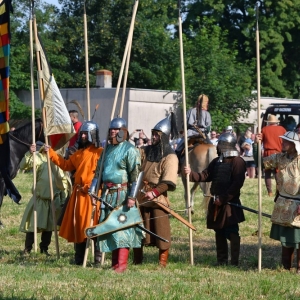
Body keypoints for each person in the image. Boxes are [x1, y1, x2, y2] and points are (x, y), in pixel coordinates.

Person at [44, 121, 103, 265]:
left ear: (92, 135)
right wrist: (50, 153)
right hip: (79, 195)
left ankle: (97, 259)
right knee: (79, 226)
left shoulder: (100, 152)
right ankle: (79, 258)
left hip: (93, 194)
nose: (83, 136)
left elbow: (103, 173)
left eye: (85, 133)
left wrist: (93, 186)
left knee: (94, 225)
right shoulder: (78, 153)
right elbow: (65, 165)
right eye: (81, 133)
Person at [184, 132, 246, 266]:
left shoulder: (238, 161)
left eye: (219, 143)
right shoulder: (217, 161)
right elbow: (205, 175)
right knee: (219, 231)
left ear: (225, 145)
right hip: (216, 201)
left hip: (230, 203)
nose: (217, 146)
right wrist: (191, 174)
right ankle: (221, 261)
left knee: (232, 232)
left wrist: (223, 198)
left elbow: (237, 184)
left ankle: (234, 262)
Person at [91, 117, 143, 273]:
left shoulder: (130, 150)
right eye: (111, 129)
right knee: (111, 229)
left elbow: (136, 175)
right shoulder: (106, 149)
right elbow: (98, 173)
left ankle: (121, 265)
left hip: (123, 194)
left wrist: (132, 197)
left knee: (122, 229)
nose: (112, 132)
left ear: (123, 132)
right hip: (108, 195)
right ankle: (114, 264)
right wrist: (93, 190)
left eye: (116, 129)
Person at [133, 116, 178, 267]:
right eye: (153, 134)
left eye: (156, 135)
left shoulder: (170, 156)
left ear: (163, 137)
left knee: (161, 229)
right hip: (141, 195)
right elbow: (133, 156)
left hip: (157, 198)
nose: (153, 137)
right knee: (138, 228)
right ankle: (137, 259)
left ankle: (162, 261)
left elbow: (168, 180)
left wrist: (155, 192)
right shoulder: (146, 151)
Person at [254, 131, 300, 272]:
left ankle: (299, 267)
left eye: (286, 141)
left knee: (299, 237)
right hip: (283, 203)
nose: (283, 143)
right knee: (286, 237)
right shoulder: (279, 158)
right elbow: (261, 163)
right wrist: (257, 145)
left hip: (298, 202)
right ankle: (286, 266)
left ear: (294, 144)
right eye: (283, 141)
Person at [20, 143, 71, 255]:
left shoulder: (60, 162)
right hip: (39, 200)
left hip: (53, 201)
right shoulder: (39, 158)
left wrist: (63, 200)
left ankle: (44, 249)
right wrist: (30, 153)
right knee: (33, 225)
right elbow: (23, 166)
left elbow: (64, 184)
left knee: (49, 227)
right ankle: (27, 248)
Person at [261, 114, 286, 196]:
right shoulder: (282, 129)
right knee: (277, 173)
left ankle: (270, 192)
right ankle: (278, 191)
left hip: (268, 153)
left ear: (268, 122)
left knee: (267, 173)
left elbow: (260, 141)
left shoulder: (264, 129)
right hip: (279, 153)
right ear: (276, 122)